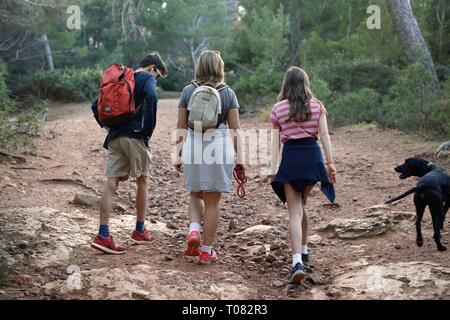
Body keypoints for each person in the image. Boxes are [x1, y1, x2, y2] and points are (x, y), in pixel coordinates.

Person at [90, 53, 168, 254]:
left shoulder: (123, 78)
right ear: (152, 68)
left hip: (115, 137)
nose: (156, 80)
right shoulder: (147, 78)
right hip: (135, 136)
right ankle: (140, 230)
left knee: (111, 181)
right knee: (142, 180)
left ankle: (103, 234)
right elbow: (151, 97)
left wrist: (106, 126)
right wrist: (147, 132)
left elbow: (94, 105)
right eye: (158, 75)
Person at [175, 50, 244, 264]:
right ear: (219, 68)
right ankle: (206, 251)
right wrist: (240, 159)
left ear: (199, 67)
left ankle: (194, 230)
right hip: (219, 143)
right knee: (213, 202)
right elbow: (236, 129)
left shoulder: (188, 90)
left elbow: (180, 126)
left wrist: (177, 154)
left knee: (195, 194)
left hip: (194, 143)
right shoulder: (228, 93)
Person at [270, 67, 336, 284]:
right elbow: (324, 135)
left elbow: (274, 144)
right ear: (306, 83)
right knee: (303, 205)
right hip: (312, 158)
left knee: (294, 211)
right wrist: (330, 163)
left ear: (286, 84)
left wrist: (272, 170)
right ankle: (305, 249)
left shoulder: (279, 109)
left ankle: (296, 260)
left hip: (291, 158)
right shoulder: (317, 106)